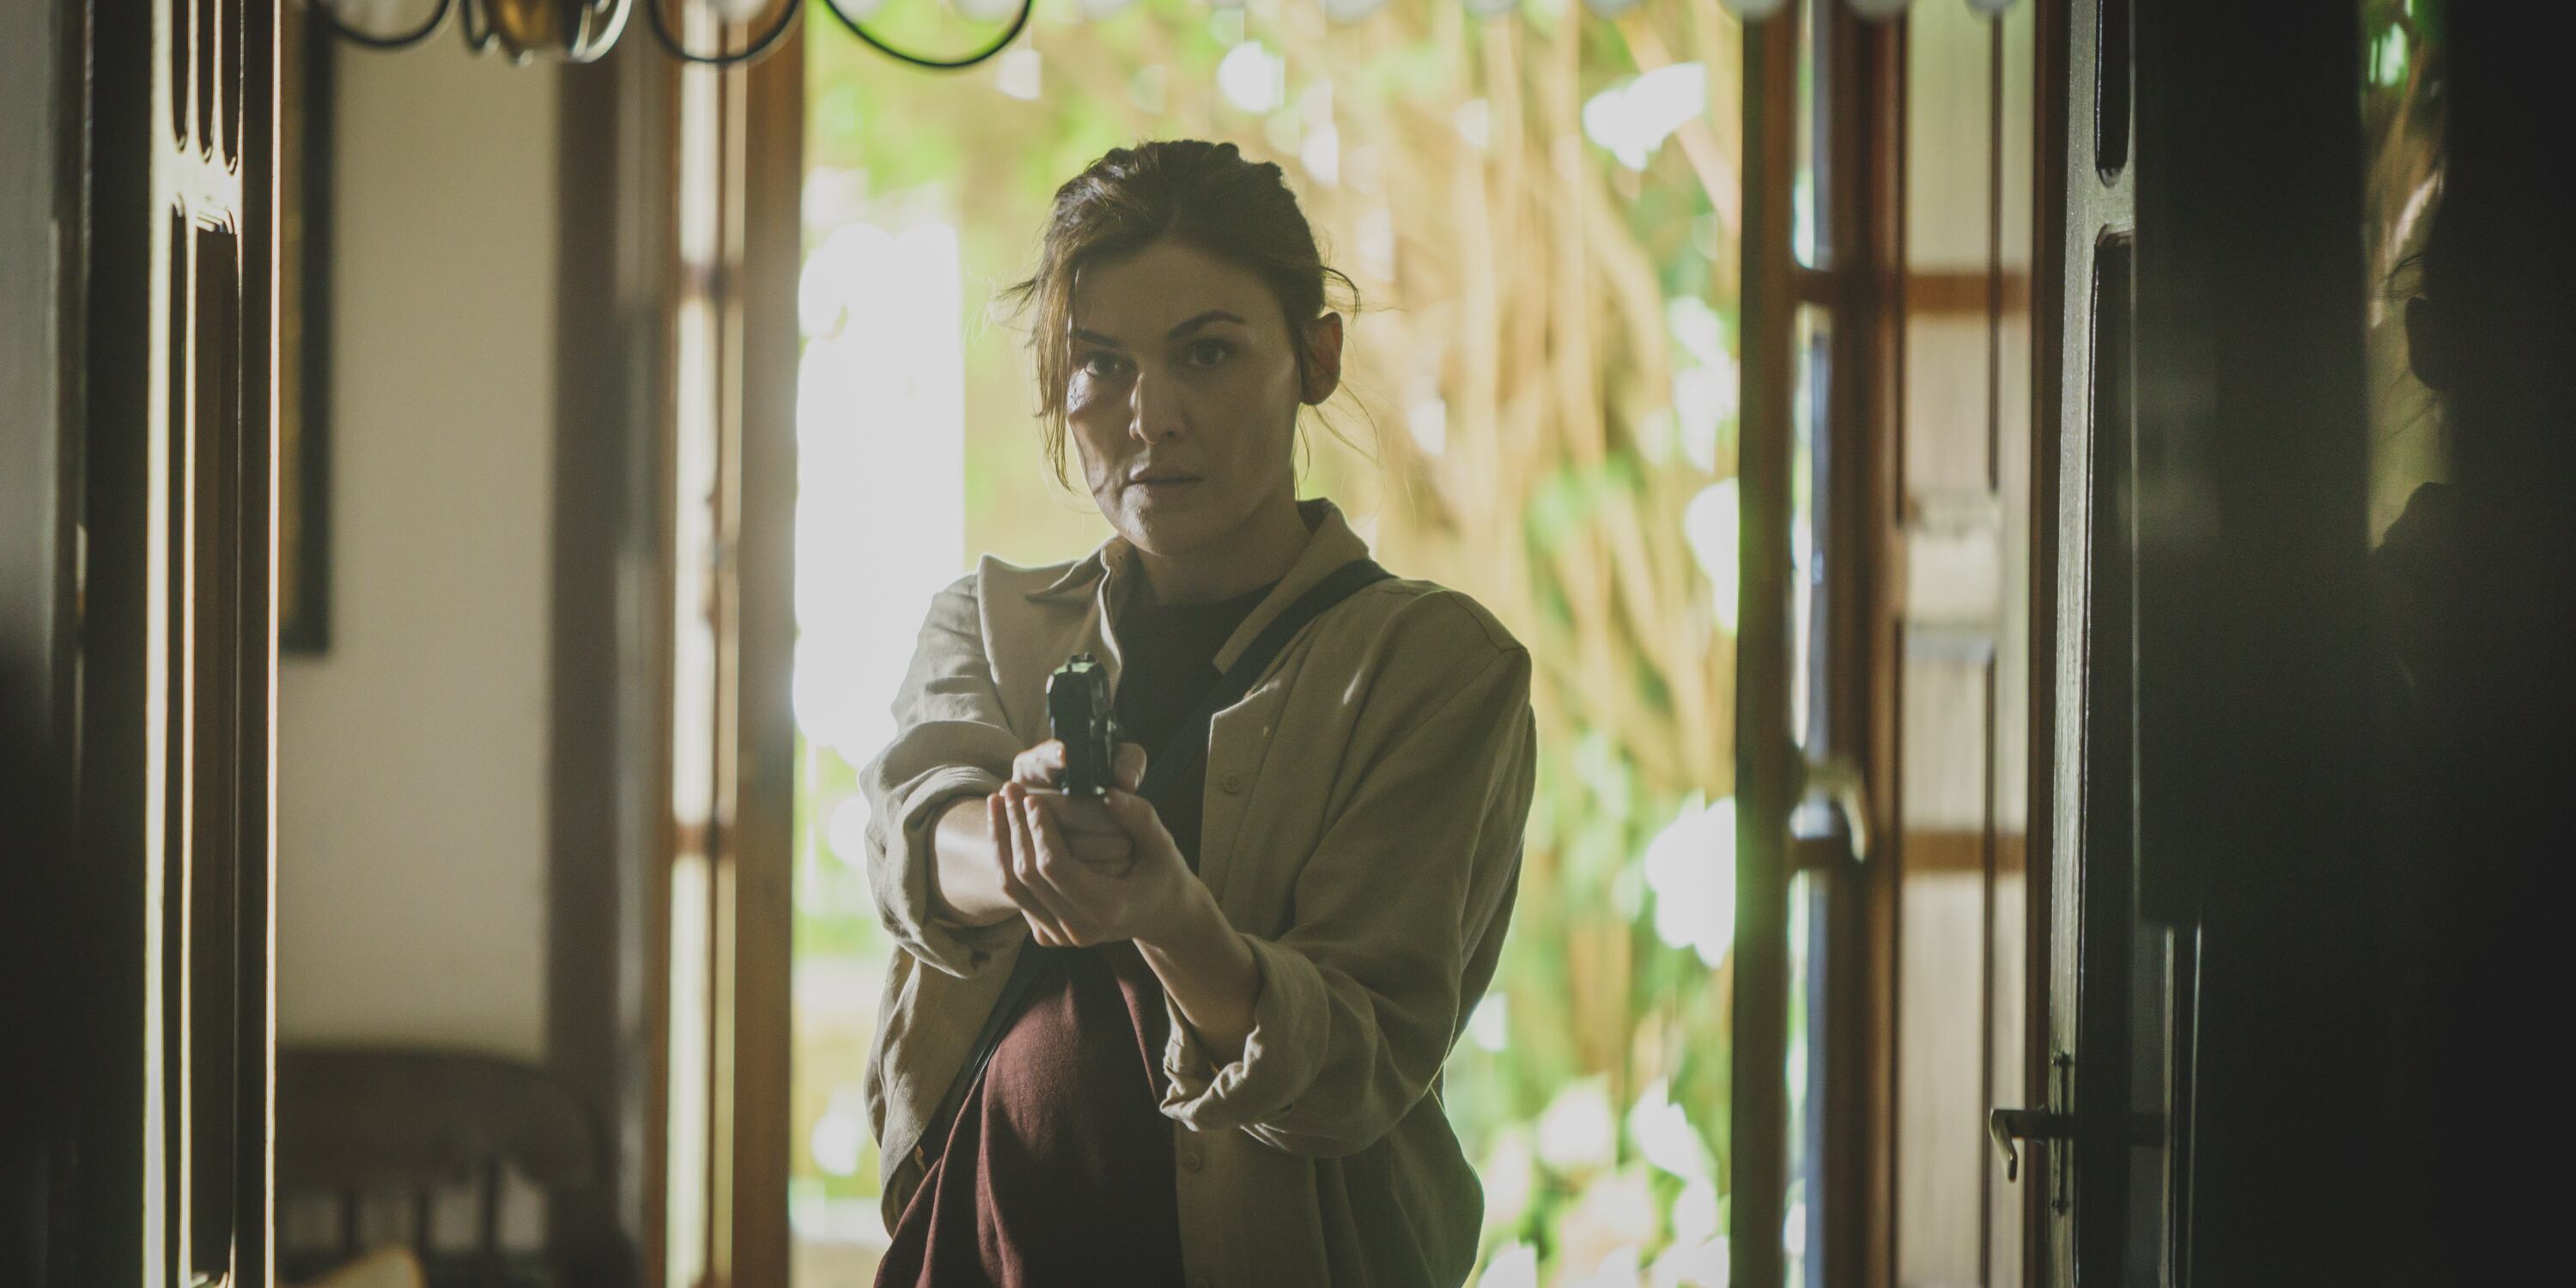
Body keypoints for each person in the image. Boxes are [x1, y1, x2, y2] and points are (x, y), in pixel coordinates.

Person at [857, 140, 1536, 1288]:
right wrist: (1018, 844)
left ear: (1314, 357)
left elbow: (1355, 1069)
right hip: (979, 1246)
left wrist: (1174, 920)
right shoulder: (991, 622)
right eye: (1102, 364)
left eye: (1208, 354)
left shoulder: (1431, 667)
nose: (1149, 417)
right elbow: (914, 838)